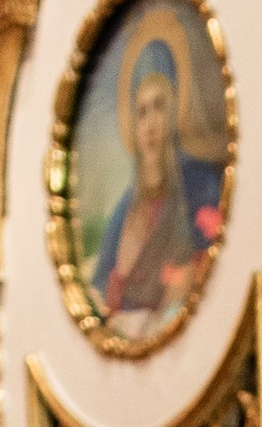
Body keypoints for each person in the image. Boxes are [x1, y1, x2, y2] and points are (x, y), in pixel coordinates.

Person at [93, 33, 220, 338]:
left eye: (159, 107)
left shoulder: (200, 186)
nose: (150, 125)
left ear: (175, 113)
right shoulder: (125, 209)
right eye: (141, 112)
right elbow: (98, 289)